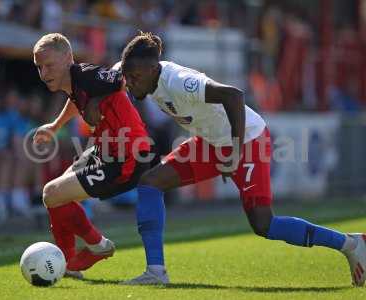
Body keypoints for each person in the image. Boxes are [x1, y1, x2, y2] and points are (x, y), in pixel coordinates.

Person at [119, 31, 366, 286]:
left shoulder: (180, 81)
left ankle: (351, 243)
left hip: (247, 140)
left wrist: (235, 151)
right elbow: (111, 76)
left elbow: (233, 95)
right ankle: (156, 271)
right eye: (128, 78)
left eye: (135, 78)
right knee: (150, 182)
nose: (131, 83)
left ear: (152, 69)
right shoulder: (136, 71)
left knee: (263, 224)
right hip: (211, 143)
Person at [32, 33, 151, 279]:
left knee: (51, 193)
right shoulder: (76, 84)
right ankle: (68, 263)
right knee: (55, 195)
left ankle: (98, 245)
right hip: (104, 151)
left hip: (125, 157)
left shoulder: (85, 74)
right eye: (39, 67)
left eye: (49, 65)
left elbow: (121, 79)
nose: (44, 73)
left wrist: (96, 100)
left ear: (67, 58)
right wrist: (55, 126)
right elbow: (77, 100)